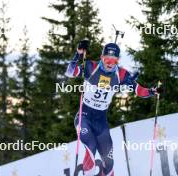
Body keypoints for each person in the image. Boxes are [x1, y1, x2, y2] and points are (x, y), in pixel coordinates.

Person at [65, 41, 159, 176]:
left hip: (101, 121)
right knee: (90, 146)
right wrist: (78, 54)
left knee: (108, 161)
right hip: (84, 116)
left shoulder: (121, 75)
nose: (109, 63)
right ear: (102, 57)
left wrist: (152, 91)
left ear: (118, 61)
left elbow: (139, 90)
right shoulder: (91, 67)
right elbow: (70, 72)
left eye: (113, 61)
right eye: (106, 59)